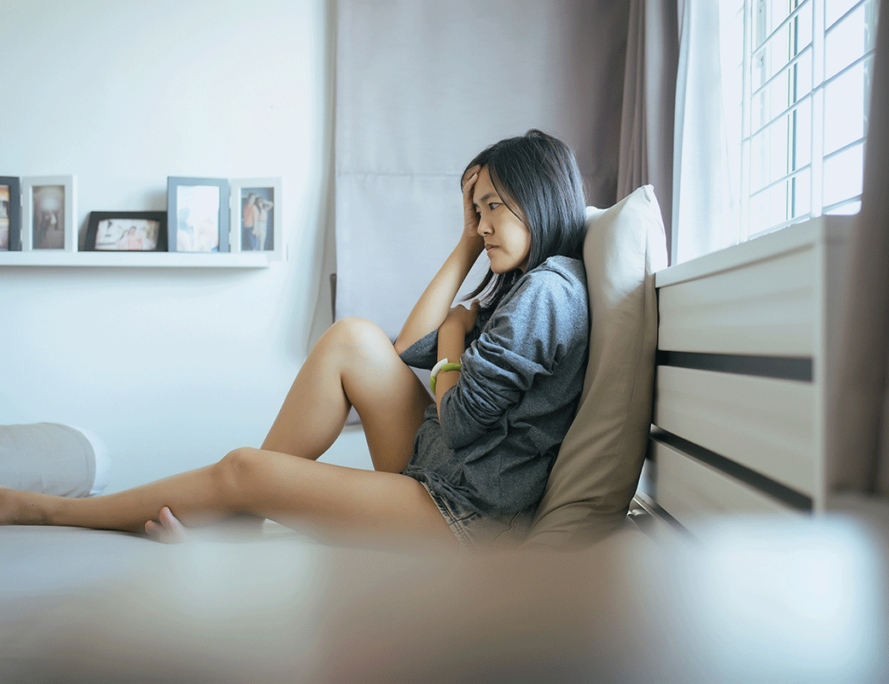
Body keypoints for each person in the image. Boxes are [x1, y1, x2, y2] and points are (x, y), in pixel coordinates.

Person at [0, 130, 590, 551]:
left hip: (464, 518)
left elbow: (459, 420)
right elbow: (408, 346)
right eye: (477, 209)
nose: (483, 223)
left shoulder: (545, 294)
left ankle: (54, 509)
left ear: (538, 199)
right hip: (449, 469)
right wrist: (466, 244)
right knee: (354, 338)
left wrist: (458, 331)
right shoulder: (532, 282)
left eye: (494, 208)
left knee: (244, 469)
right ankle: (242, 512)